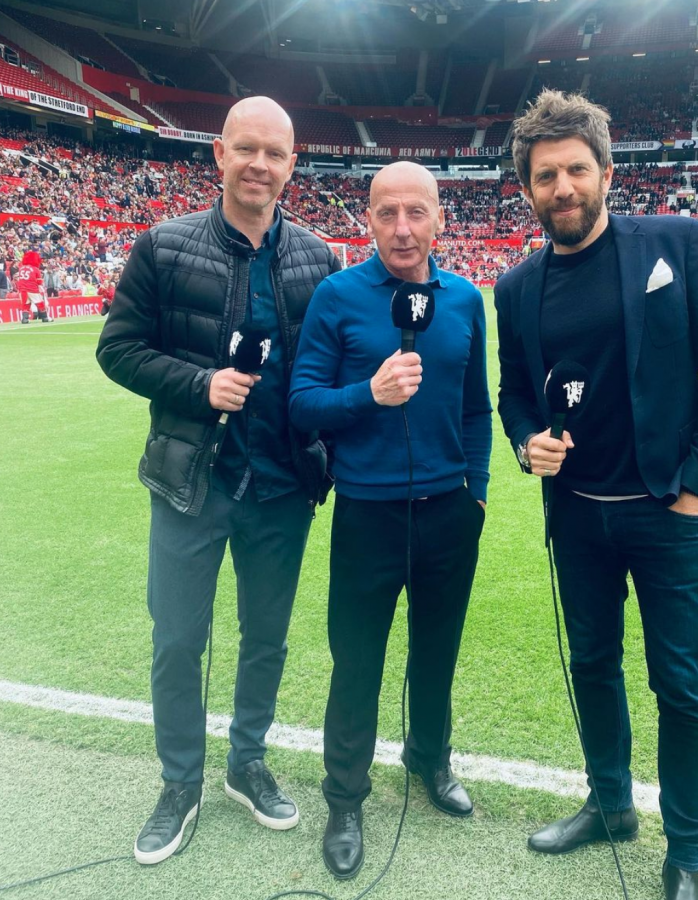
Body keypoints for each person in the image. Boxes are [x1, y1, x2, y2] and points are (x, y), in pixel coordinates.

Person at [494, 90, 698, 900]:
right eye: (544, 176)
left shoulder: (675, 241)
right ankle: (610, 805)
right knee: (593, 666)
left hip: (665, 514)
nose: (561, 187)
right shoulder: (515, 286)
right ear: (526, 188)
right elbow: (513, 396)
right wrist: (524, 439)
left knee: (679, 682)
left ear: (605, 172)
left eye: (574, 169)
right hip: (574, 518)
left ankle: (686, 850)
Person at [97, 96, 339, 866]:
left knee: (263, 639)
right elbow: (118, 349)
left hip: (281, 486)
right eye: (246, 149)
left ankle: (246, 761)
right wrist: (199, 385)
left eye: (274, 153)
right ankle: (179, 781)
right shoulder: (164, 248)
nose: (259, 164)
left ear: (291, 164)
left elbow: (329, 367)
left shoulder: (315, 258)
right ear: (219, 156)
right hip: (190, 484)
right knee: (177, 641)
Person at [289, 161, 491, 880]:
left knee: (435, 655)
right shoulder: (337, 296)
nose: (401, 228)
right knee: (357, 663)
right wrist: (367, 394)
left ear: (439, 217)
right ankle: (344, 799)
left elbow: (475, 409)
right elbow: (302, 401)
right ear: (366, 220)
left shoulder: (466, 300)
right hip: (367, 514)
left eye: (415, 212)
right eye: (386, 213)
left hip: (448, 513)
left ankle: (429, 761)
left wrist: (478, 493)